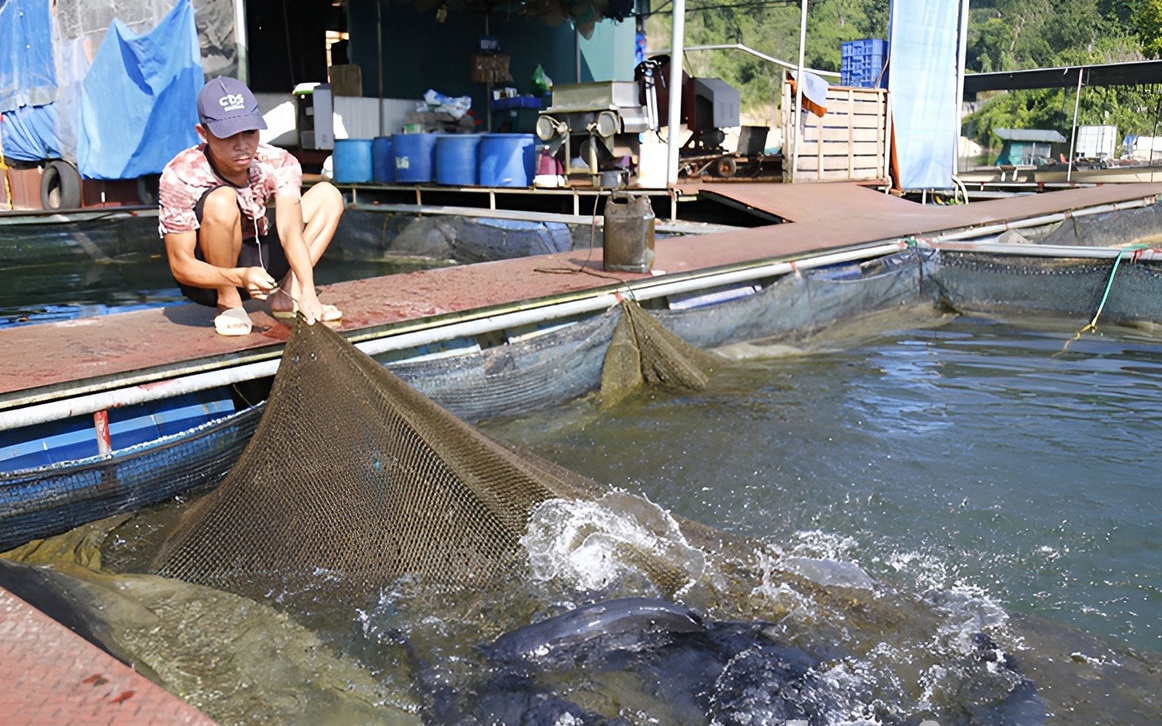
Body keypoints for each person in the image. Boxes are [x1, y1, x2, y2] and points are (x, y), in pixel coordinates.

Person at [158, 76, 344, 335]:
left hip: (260, 261)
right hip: (210, 278)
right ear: (203, 134)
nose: (243, 145)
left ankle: (290, 294)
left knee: (328, 194)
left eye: (250, 132)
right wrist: (239, 277)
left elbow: (290, 230)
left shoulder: (279, 161)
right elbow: (181, 265)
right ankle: (228, 302)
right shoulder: (181, 173)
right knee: (222, 200)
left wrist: (309, 291)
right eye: (228, 135)